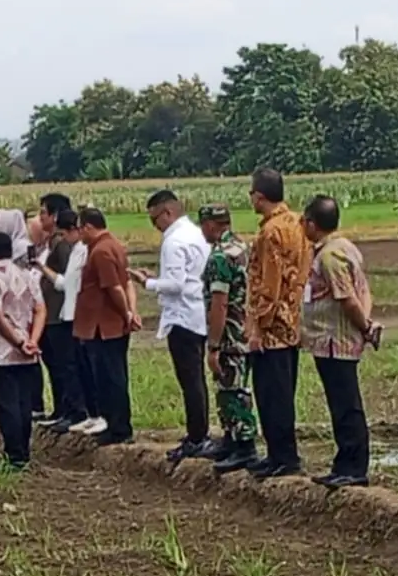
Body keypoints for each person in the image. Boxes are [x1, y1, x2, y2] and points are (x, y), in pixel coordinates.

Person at [299, 196, 382, 489]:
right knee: (343, 404)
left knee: (345, 405)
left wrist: (364, 326)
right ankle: (346, 462)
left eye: (304, 221)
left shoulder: (330, 256)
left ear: (312, 223)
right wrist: (367, 323)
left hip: (335, 340)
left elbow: (347, 298)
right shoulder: (345, 247)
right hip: (336, 338)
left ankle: (353, 465)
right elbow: (364, 291)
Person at [130, 190, 212, 462]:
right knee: (197, 378)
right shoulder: (196, 233)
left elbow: (176, 285)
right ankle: (199, 433)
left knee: (190, 380)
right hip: (199, 312)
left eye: (156, 220)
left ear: (167, 212)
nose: (156, 226)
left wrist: (148, 283)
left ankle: (197, 436)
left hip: (182, 316)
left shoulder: (173, 241)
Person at [246, 168, 312, 480]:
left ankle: (281, 456)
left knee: (271, 393)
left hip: (272, 327)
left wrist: (258, 326)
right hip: (292, 321)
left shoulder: (270, 232)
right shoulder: (298, 224)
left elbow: (267, 286)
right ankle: (282, 454)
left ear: (259, 196)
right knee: (284, 391)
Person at [198, 204, 260, 474]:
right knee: (234, 386)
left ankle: (244, 445)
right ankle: (230, 439)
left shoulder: (220, 258)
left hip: (229, 334)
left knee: (230, 388)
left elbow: (219, 304)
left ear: (211, 225)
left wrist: (213, 345)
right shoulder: (242, 249)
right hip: (243, 328)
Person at [0, 230, 46, 470]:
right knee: (23, 405)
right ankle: (23, 452)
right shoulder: (27, 276)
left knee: (6, 406)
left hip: (0, 353)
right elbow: (40, 309)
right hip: (28, 354)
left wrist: (18, 342)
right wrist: (32, 340)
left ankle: (14, 455)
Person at [72, 207, 138, 445]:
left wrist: (127, 313)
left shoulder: (100, 251)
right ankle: (116, 424)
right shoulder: (114, 245)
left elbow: (114, 287)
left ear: (89, 227)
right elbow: (126, 282)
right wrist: (131, 312)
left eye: (80, 229)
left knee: (110, 377)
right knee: (113, 375)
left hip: (105, 326)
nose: (79, 234)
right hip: (109, 324)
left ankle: (118, 427)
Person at [33, 204, 87, 432]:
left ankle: (74, 411)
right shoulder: (68, 247)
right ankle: (65, 410)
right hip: (60, 314)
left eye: (43, 212)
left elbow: (68, 283)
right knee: (62, 366)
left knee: (68, 366)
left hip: (62, 316)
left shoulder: (67, 248)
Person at [0, 208, 43, 416]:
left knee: (26, 359)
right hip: (21, 308)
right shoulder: (19, 245)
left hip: (20, 309)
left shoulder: (19, 248)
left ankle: (34, 405)